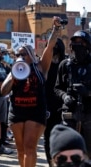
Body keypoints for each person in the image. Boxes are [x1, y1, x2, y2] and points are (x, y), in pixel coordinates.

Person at [1, 16, 62, 166]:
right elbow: (3, 91)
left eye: (24, 54)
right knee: (20, 150)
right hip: (17, 111)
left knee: (29, 147)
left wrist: (56, 29)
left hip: (35, 111)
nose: (21, 57)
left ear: (32, 55)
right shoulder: (13, 70)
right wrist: (13, 77)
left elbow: (49, 46)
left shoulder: (40, 67)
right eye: (18, 55)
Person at [54, 30, 91, 158]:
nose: (77, 45)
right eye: (74, 42)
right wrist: (65, 96)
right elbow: (57, 88)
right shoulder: (65, 65)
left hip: (88, 114)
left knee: (87, 151)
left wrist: (88, 92)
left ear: (87, 45)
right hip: (69, 113)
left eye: (80, 42)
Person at [44, 38, 66, 166]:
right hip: (47, 104)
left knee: (62, 135)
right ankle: (50, 162)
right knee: (48, 135)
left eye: (57, 45)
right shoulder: (44, 64)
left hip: (62, 103)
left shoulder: (65, 63)